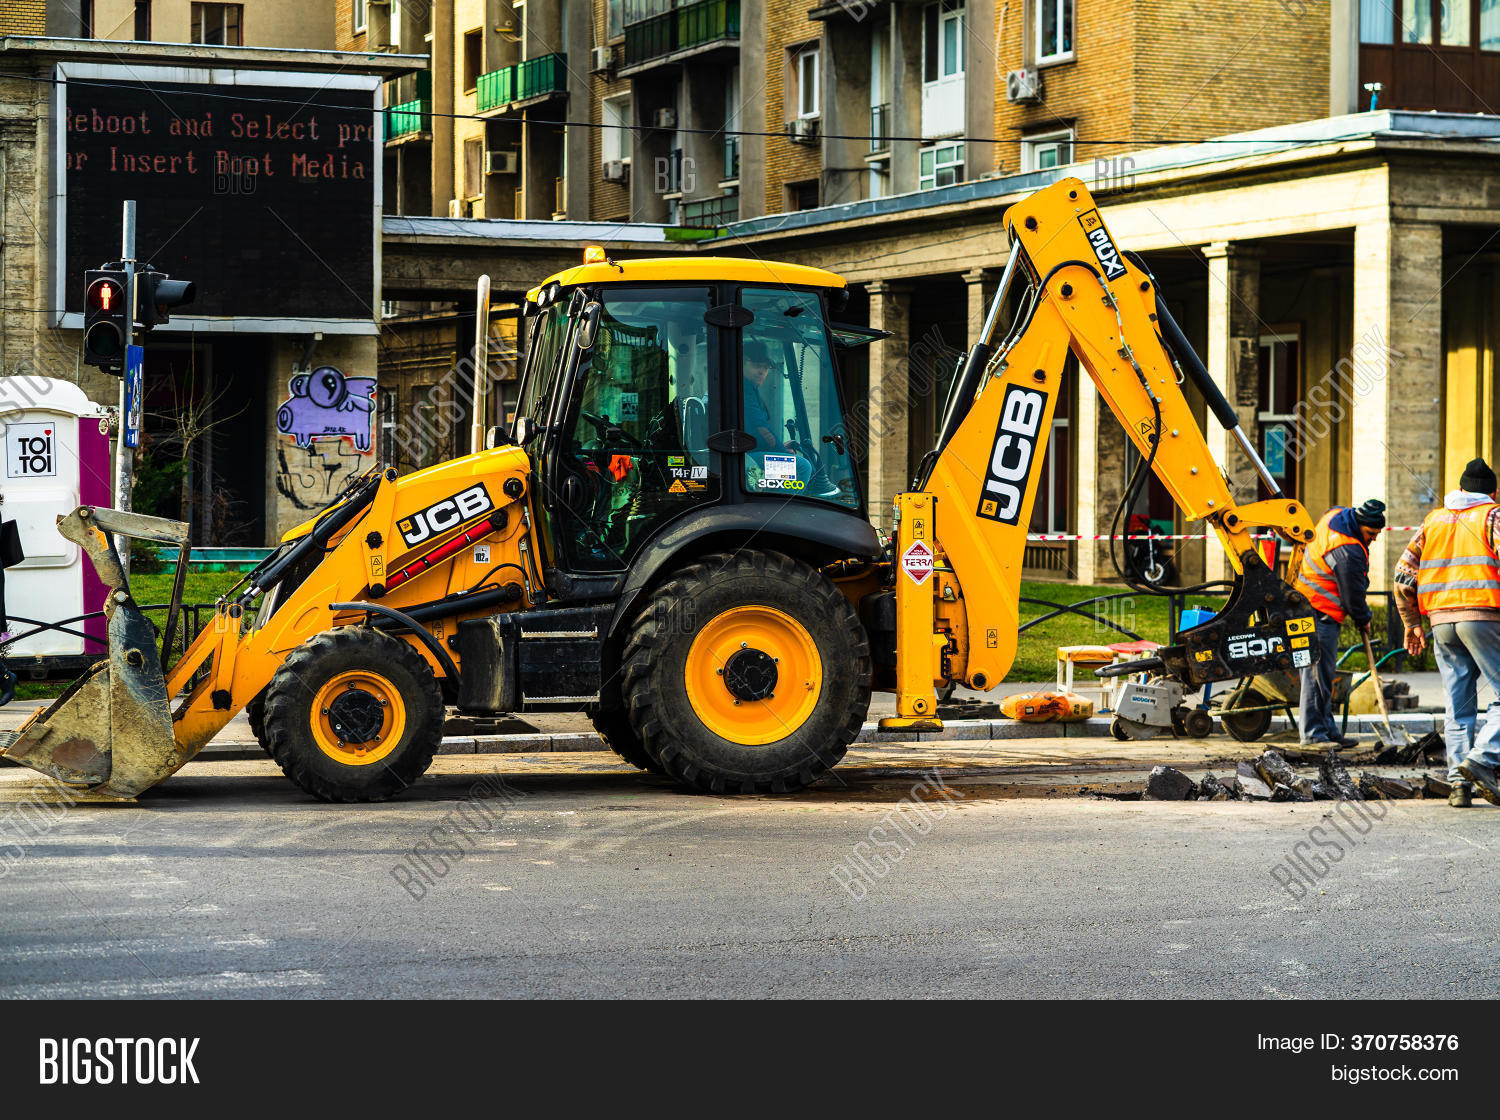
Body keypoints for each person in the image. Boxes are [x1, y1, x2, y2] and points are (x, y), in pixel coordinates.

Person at [1394, 457, 1500, 808]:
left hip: (1441, 623)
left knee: (1458, 704)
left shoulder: (1433, 520)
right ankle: (1482, 759)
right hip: (1483, 616)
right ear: (1493, 493)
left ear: (1460, 489)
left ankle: (1459, 785)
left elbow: (1402, 575)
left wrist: (1412, 623)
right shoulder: (1492, 516)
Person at [1292, 498, 1386, 749]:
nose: (1373, 539)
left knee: (1323, 677)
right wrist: (1364, 618)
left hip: (1309, 609)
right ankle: (1313, 735)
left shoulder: (1334, 515)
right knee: (1315, 676)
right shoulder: (1348, 549)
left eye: (1377, 534)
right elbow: (1352, 595)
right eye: (1371, 533)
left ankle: (1328, 731)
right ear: (1359, 525)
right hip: (1317, 613)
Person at [743, 341, 780, 451]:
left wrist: (782, 447)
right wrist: (783, 452)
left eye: (766, 368)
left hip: (751, 451)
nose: (762, 372)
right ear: (742, 363)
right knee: (801, 462)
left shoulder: (751, 389)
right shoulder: (744, 388)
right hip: (746, 455)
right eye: (757, 366)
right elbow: (761, 428)